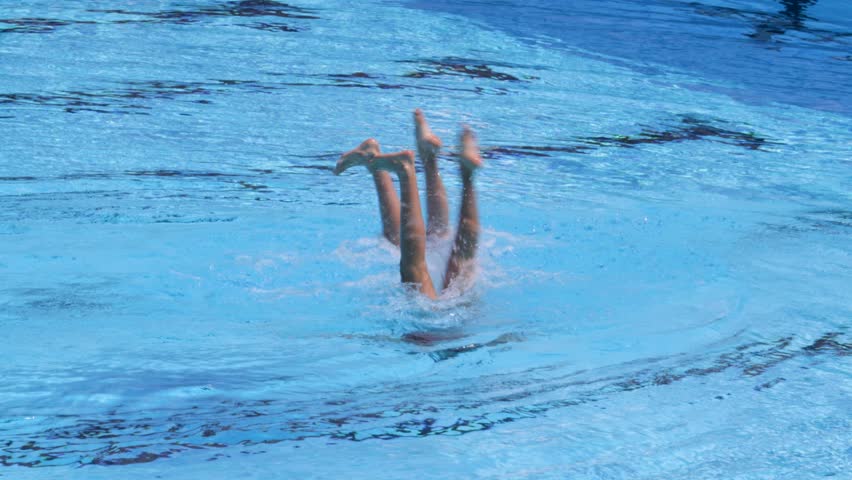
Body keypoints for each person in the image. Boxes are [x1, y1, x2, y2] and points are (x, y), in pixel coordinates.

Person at [334, 109, 483, 300]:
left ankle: (463, 171)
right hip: (439, 314)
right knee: (413, 265)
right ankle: (404, 170)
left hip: (457, 307)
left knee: (461, 255)